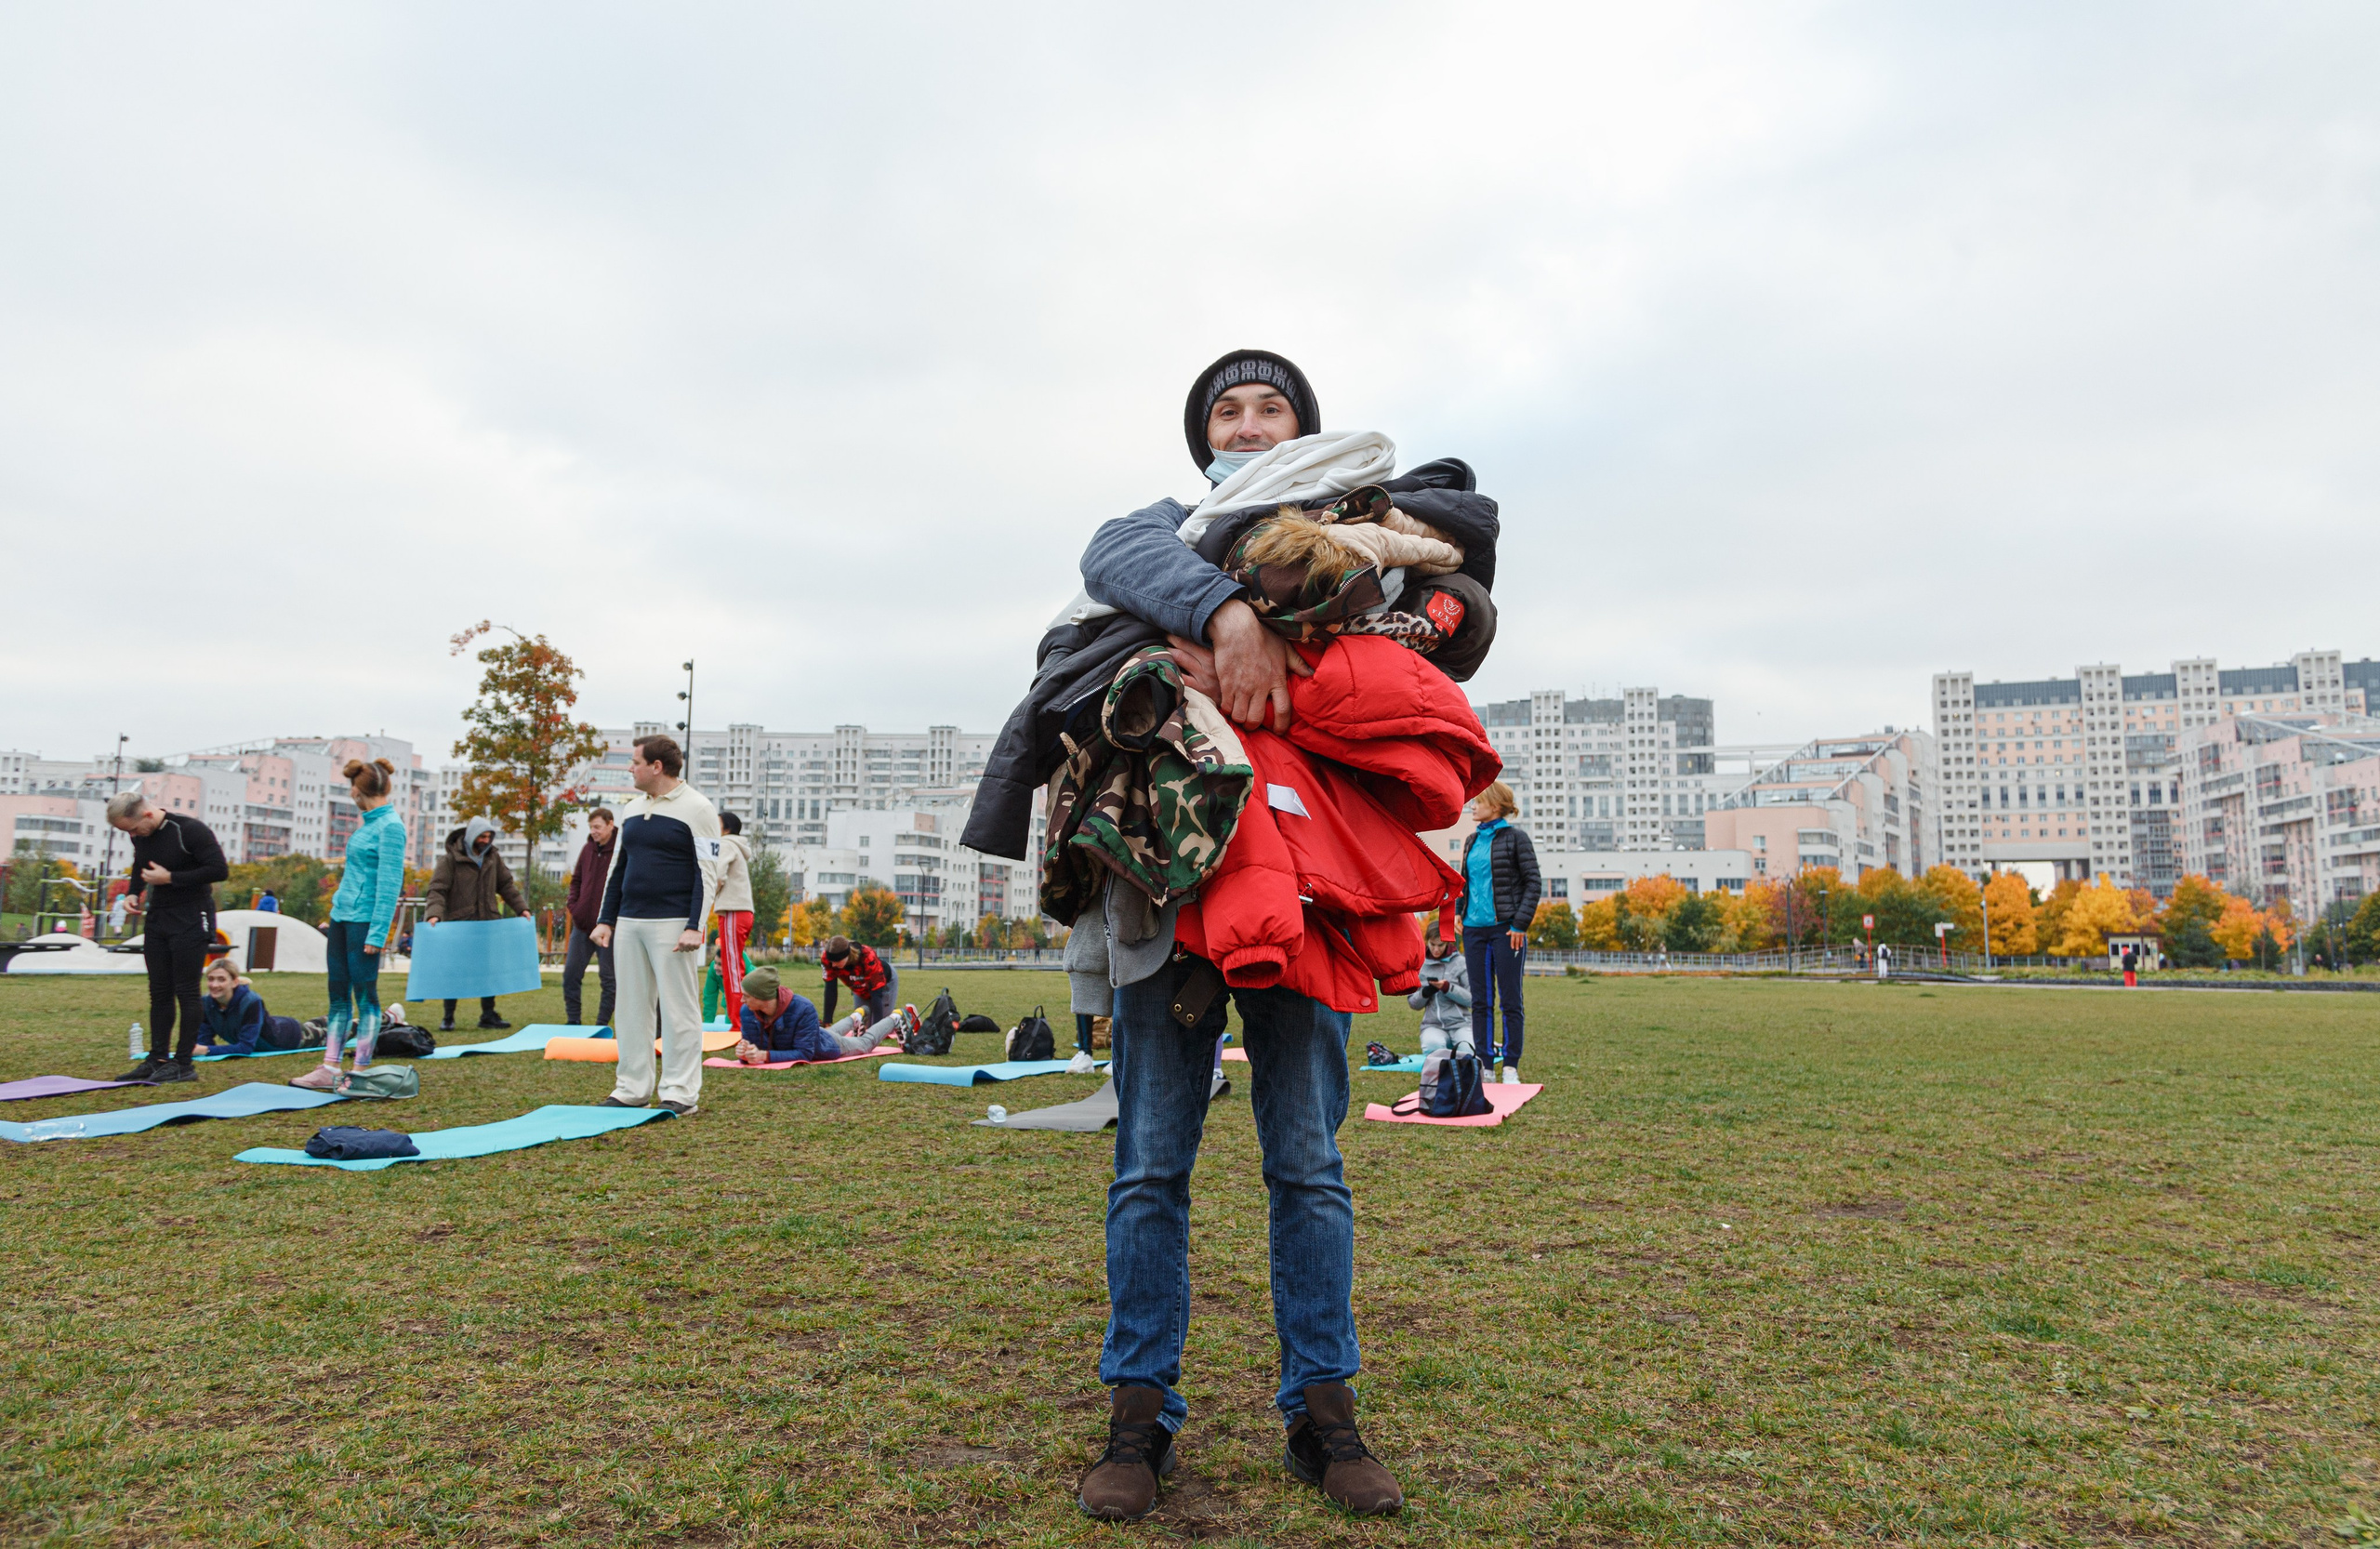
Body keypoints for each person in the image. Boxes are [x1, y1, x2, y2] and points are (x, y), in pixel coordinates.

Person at [1049, 351, 1454, 1522]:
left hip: (1312, 899)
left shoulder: (1362, 533)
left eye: (1268, 407)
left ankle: (1323, 1414)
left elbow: (1458, 607)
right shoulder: (1163, 530)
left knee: (1308, 1165)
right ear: (1203, 439)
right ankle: (1139, 1416)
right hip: (1166, 896)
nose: (1245, 423)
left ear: (1301, 430)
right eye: (1224, 410)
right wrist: (1230, 616)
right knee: (1148, 1166)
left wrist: (1294, 657)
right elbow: (1109, 558)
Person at [590, 735, 720, 1116]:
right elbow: (619, 868)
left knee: (679, 1010)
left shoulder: (698, 808)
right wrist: (605, 919)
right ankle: (632, 1088)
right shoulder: (631, 809)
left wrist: (695, 925)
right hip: (629, 922)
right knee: (630, 1008)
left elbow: (707, 872)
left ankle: (681, 1091)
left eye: (635, 762)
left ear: (657, 767)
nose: (630, 768)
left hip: (674, 923)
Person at [292, 759, 410, 1091]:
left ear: (358, 791)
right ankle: (330, 1067)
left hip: (364, 923)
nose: (351, 795)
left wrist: (378, 933)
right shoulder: (368, 824)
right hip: (342, 917)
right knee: (338, 994)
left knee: (366, 996)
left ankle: (359, 1070)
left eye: (351, 790)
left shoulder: (390, 827)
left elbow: (389, 886)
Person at [106, 791, 230, 1083]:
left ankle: (184, 1064)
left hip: (192, 915)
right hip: (159, 916)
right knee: (159, 990)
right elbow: (141, 863)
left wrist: (171, 878)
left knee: (186, 990)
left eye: (133, 829)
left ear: (147, 814)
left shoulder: (190, 830)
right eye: (127, 832)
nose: (133, 835)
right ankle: (157, 1059)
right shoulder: (141, 835)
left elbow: (219, 870)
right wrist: (134, 893)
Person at [1459, 781, 1538, 1083]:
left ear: (1495, 805)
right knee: (1480, 1001)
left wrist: (1520, 924)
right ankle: (1486, 1066)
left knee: (1510, 1001)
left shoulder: (1517, 839)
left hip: (1507, 931)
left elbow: (1533, 883)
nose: (1473, 806)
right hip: (1474, 931)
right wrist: (1458, 912)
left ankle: (1510, 1066)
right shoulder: (1471, 840)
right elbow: (1464, 882)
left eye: (1478, 801)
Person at [424, 814, 529, 1031]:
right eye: (482, 836)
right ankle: (448, 1017)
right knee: (454, 971)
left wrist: (522, 909)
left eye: (489, 837)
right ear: (472, 836)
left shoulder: (493, 858)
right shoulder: (450, 860)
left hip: (488, 923)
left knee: (489, 971)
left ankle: (488, 1015)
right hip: (458, 924)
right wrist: (434, 914)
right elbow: (437, 890)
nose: (486, 840)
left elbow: (506, 886)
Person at [192, 959, 314, 1057]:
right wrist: (201, 1048)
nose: (214, 985)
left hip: (291, 1037)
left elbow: (245, 1048)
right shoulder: (206, 1002)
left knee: (325, 1029)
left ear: (234, 982)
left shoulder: (251, 1001)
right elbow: (203, 1040)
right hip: (275, 1023)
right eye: (211, 979)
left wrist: (206, 1050)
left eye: (221, 980)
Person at [563, 808, 618, 1027]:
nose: (593, 831)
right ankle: (573, 1021)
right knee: (571, 975)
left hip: (608, 928)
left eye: (597, 827)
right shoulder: (587, 849)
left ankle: (601, 1024)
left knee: (609, 979)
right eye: (591, 827)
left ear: (610, 824)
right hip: (582, 925)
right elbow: (576, 880)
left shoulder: (620, 851)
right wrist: (574, 907)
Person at [708, 812, 755, 1031]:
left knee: (733, 968)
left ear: (726, 828)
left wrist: (709, 894)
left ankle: (738, 1022)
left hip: (733, 910)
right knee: (733, 966)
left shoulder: (726, 844)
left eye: (716, 823)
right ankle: (740, 1019)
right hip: (740, 911)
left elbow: (718, 875)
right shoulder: (737, 846)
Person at [1408, 928, 1473, 1056]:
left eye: (1440, 945)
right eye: (1432, 944)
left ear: (1448, 943)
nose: (1436, 949)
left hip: (1461, 1024)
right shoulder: (1420, 965)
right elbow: (1413, 1003)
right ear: (1427, 941)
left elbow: (1472, 1000)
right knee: (1432, 1048)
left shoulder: (1461, 963)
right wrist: (1425, 993)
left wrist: (1448, 988)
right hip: (1433, 1025)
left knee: (1468, 1052)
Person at [819, 936, 898, 1029]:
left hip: (883, 983)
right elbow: (830, 989)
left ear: (847, 956)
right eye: (831, 961)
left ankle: (902, 1018)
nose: (833, 965)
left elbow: (877, 994)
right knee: (862, 1024)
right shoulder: (827, 958)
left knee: (881, 1025)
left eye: (837, 961)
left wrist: (877, 1029)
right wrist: (827, 1022)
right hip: (859, 985)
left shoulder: (867, 956)